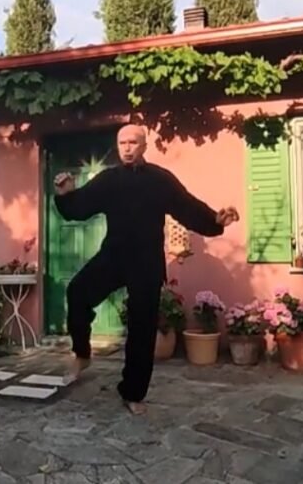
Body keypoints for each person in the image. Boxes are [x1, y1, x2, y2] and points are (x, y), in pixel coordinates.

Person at [53, 124, 239, 415]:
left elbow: (187, 207)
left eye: (133, 142)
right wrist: (65, 195)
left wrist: (216, 220)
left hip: (147, 262)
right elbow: (79, 208)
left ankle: (133, 392)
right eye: (122, 143)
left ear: (144, 146)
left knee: (142, 328)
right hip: (114, 256)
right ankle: (82, 353)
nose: (127, 148)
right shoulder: (108, 180)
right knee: (77, 292)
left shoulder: (160, 180)